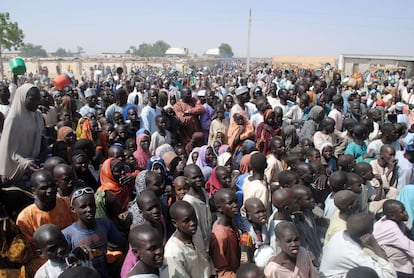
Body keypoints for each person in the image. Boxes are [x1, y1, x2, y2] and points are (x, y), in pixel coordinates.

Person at [16, 170, 76, 277]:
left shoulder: (66, 203)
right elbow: (31, 251)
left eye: (53, 186)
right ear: (33, 191)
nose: (50, 190)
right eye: (44, 188)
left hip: (71, 253)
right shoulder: (25, 218)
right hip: (45, 262)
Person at [63, 187, 121, 278]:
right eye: (83, 207)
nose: (89, 209)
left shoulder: (105, 224)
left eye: (91, 205)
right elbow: (64, 263)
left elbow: (121, 243)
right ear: (73, 209)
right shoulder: (68, 234)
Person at [320, 213, 397, 278]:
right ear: (368, 234)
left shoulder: (338, 235)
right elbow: (390, 275)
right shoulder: (355, 254)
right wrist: (375, 245)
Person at [0, 84, 44, 187]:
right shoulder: (13, 119)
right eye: (32, 99)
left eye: (38, 99)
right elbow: (9, 151)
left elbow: (40, 140)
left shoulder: (37, 115)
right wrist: (25, 163)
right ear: (23, 98)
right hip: (16, 170)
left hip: (35, 164)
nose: (37, 103)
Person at [164, 200, 212, 277]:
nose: (193, 223)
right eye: (187, 221)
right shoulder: (173, 252)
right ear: (174, 223)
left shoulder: (196, 233)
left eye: (194, 218)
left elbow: (205, 257)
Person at [373, 200, 414, 277]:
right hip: (396, 269)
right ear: (392, 216)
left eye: (405, 210)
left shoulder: (397, 221)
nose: (406, 213)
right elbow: (408, 246)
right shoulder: (390, 227)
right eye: (402, 212)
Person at [210, 189, 240, 277]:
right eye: (230, 203)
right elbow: (222, 271)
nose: (235, 205)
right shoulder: (220, 235)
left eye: (236, 202)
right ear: (219, 208)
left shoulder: (231, 223)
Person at [182, 165, 212, 256]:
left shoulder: (203, 191)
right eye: (194, 178)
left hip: (209, 240)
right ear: (187, 180)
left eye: (200, 176)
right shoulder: (189, 202)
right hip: (200, 246)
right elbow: (195, 231)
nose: (198, 179)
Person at [239, 198, 271, 265]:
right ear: (248, 216)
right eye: (258, 212)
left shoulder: (265, 228)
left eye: (263, 211)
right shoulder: (246, 238)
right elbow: (245, 262)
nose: (262, 214)